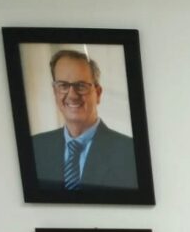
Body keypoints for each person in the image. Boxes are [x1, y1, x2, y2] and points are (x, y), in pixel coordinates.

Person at [31, 49, 137, 190]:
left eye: (81, 86)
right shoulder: (35, 147)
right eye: (63, 85)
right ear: (55, 92)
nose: (72, 95)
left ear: (98, 93)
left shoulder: (130, 152)